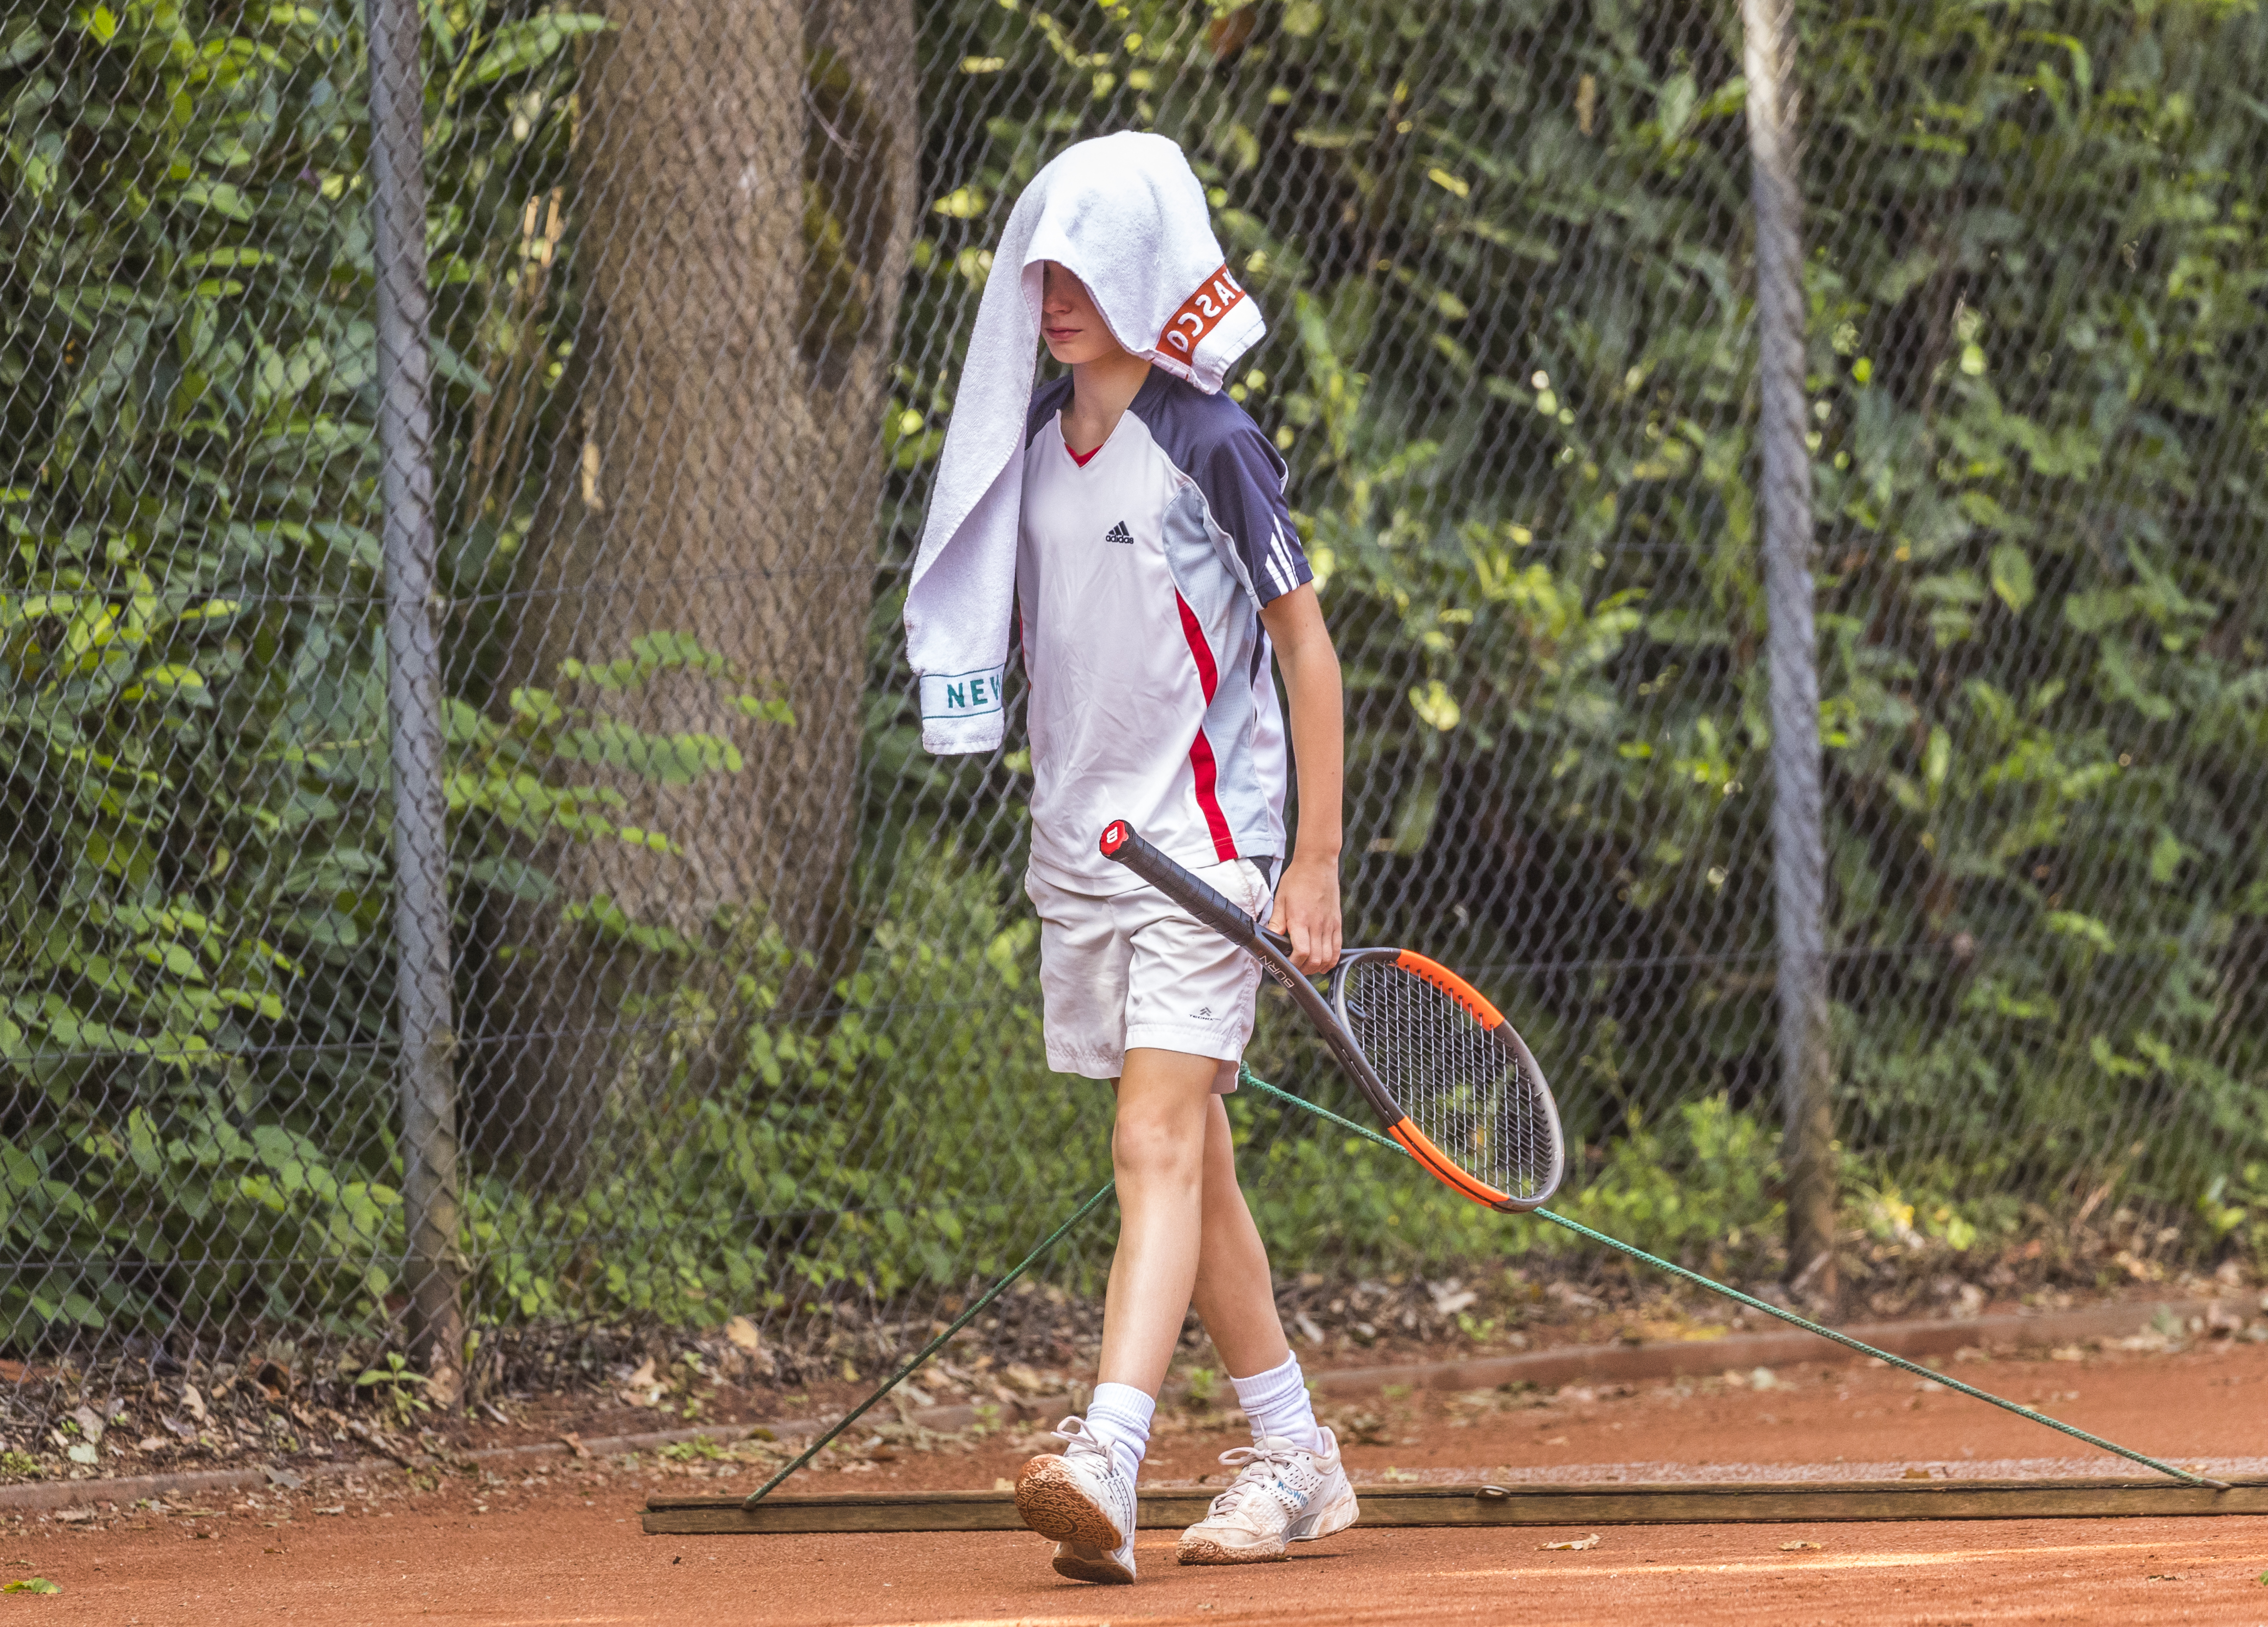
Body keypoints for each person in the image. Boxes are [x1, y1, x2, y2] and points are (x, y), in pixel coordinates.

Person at [1000, 254, 1354, 1581]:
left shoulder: (1211, 439)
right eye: (1045, 269)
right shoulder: (1034, 434)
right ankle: (1295, 1451)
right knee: (1188, 1140)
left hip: (1209, 850)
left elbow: (1303, 646)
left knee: (1151, 1132)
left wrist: (1308, 863)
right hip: (1084, 854)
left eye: (1093, 269)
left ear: (1151, 273)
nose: (1060, 294)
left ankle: (1108, 1454)